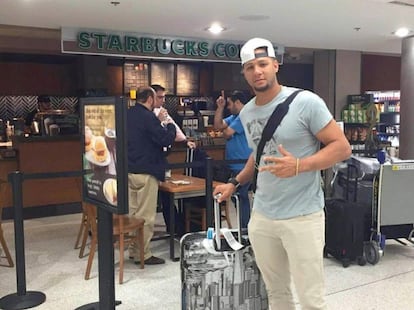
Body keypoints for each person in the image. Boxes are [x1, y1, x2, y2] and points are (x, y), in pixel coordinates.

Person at [213, 38, 351, 309]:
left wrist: (301, 165)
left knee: (310, 298)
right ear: (244, 72)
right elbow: (258, 154)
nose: (258, 71)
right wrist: (234, 182)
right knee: (276, 294)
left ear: (276, 65)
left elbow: (342, 147)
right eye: (250, 66)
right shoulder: (248, 111)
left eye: (263, 64)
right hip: (263, 216)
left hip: (303, 217)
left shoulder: (306, 102)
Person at [127, 86, 176, 265]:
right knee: (146, 216)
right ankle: (143, 254)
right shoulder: (148, 117)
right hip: (146, 171)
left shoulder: (128, 114)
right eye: (157, 98)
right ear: (149, 98)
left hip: (129, 171)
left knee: (133, 214)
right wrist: (169, 124)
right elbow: (164, 139)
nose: (159, 102)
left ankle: (133, 250)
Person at [151, 84, 195, 235]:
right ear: (151, 97)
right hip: (149, 161)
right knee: (149, 200)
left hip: (162, 158)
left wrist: (185, 141)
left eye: (164, 97)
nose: (163, 100)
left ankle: (175, 227)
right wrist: (157, 120)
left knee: (167, 194)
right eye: (160, 97)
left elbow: (174, 127)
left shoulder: (163, 112)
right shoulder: (145, 113)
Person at [214, 90, 252, 228]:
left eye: (229, 104)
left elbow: (227, 133)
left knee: (241, 196)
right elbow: (218, 126)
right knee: (238, 197)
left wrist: (226, 131)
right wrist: (220, 107)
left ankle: (244, 228)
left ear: (237, 102)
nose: (229, 107)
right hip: (234, 165)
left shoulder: (245, 115)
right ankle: (244, 227)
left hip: (243, 164)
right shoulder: (235, 117)